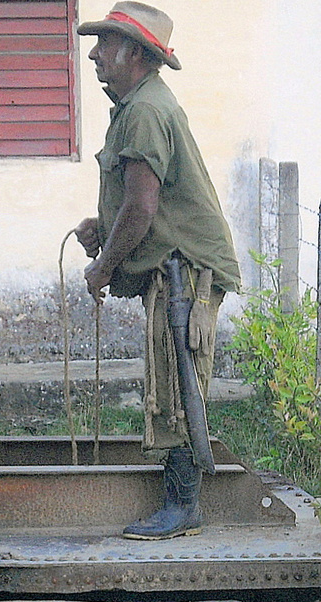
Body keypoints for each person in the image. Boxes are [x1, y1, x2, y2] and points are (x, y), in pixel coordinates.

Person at [73, 2, 241, 540]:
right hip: (177, 260)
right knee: (173, 376)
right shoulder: (137, 105)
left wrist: (102, 266)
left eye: (106, 44)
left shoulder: (144, 110)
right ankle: (180, 501)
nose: (95, 53)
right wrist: (102, 225)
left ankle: (183, 507)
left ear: (138, 55)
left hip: (186, 268)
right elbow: (139, 202)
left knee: (176, 380)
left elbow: (143, 209)